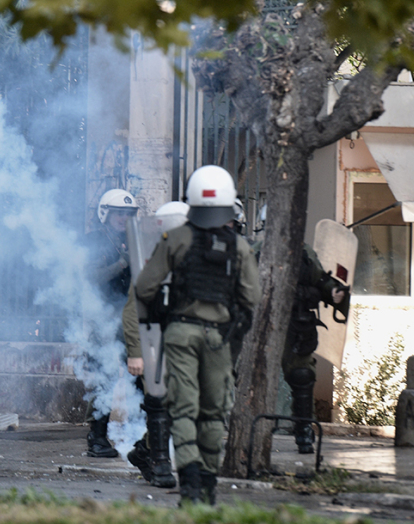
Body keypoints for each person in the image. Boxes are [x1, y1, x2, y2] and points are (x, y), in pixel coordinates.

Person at [135, 166, 261, 504]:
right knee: (213, 411)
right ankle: (207, 484)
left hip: (180, 334)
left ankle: (189, 481)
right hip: (220, 338)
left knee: (183, 408)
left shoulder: (176, 238)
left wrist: (155, 317)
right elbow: (251, 297)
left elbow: (144, 287)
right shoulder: (240, 247)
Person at [252, 206, 347, 454]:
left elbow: (319, 278)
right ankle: (248, 430)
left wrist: (333, 291)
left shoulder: (303, 252)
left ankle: (303, 430)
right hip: (261, 324)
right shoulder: (256, 252)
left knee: (302, 375)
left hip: (297, 323)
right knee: (251, 377)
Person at [122, 200, 189, 489]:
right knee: (159, 402)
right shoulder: (149, 261)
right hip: (153, 344)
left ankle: (143, 451)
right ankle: (161, 464)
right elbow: (132, 311)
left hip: (184, 344)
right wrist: (136, 353)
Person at [84, 188, 139, 458]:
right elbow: (91, 277)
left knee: (139, 373)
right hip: (103, 315)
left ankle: (143, 436)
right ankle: (97, 436)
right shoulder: (95, 241)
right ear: (105, 213)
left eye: (128, 213)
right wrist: (121, 264)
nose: (123, 218)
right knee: (103, 376)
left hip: (130, 315)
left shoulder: (135, 239)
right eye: (118, 213)